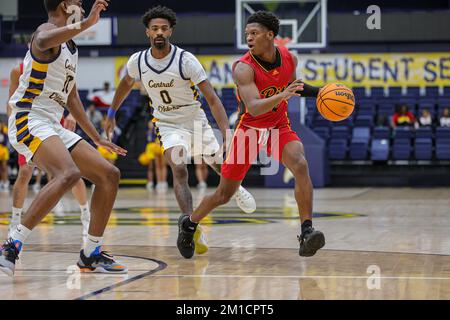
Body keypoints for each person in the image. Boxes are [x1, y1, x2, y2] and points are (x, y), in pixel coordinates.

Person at [105, 6, 256, 255]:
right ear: (147, 32)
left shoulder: (185, 60)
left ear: (171, 31)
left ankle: (236, 188)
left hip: (194, 118)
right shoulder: (138, 61)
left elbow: (213, 99)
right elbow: (124, 85)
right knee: (178, 167)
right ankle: (189, 226)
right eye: (155, 28)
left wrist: (226, 132)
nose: (159, 32)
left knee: (217, 164)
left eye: (164, 28)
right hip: (167, 123)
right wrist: (111, 114)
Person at [177, 11, 326, 259]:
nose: (249, 38)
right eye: (247, 34)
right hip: (250, 130)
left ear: (270, 35)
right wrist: (283, 95)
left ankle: (307, 232)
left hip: (279, 125)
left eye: (254, 33)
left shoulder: (290, 58)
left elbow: (294, 87)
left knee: (300, 164)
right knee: (224, 194)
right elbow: (255, 106)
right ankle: (189, 223)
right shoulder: (243, 68)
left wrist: (322, 92)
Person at [0, 0, 127, 277]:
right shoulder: (45, 32)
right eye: (78, 2)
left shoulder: (71, 47)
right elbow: (42, 38)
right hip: (28, 117)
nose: (82, 5)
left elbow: (72, 98)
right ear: (65, 6)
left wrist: (96, 138)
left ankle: (91, 253)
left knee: (109, 175)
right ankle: (12, 243)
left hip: (51, 123)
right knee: (67, 173)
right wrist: (85, 24)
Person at [6, 62, 91, 243]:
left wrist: (72, 115)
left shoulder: (58, 64)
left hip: (53, 121)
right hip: (28, 123)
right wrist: (13, 134)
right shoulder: (17, 70)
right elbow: (11, 104)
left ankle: (86, 215)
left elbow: (71, 95)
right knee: (24, 173)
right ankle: (14, 222)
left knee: (72, 174)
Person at [138, 120, 168, 191]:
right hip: (154, 149)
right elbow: (149, 140)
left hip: (162, 147)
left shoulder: (162, 130)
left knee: (163, 165)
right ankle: (159, 182)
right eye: (150, 124)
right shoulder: (149, 132)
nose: (151, 125)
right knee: (157, 166)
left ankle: (164, 182)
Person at [0, 122, 9, 192]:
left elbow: (5, 140)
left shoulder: (4, 128)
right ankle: (2, 181)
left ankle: (5, 181)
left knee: (4, 167)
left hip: (3, 150)